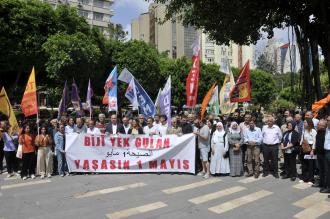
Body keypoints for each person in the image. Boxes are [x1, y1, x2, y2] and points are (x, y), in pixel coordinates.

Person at [299, 118, 317, 184]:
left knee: (311, 164)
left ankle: (311, 179)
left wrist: (313, 150)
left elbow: (315, 141)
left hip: (311, 148)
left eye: (305, 122)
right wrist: (300, 147)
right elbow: (302, 139)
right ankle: (304, 178)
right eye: (304, 122)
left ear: (309, 123)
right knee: (304, 164)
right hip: (304, 148)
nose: (304, 124)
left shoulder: (313, 131)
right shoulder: (304, 131)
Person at [314, 120, 328, 192]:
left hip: (324, 154)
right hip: (319, 154)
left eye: (319, 125)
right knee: (320, 170)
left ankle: (325, 185)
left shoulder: (326, 133)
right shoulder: (318, 132)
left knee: (325, 170)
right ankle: (321, 183)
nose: (317, 126)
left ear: (323, 126)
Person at [323, 116, 330, 198]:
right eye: (326, 120)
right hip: (326, 152)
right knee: (327, 171)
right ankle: (328, 187)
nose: (326, 121)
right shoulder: (327, 129)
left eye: (328, 120)